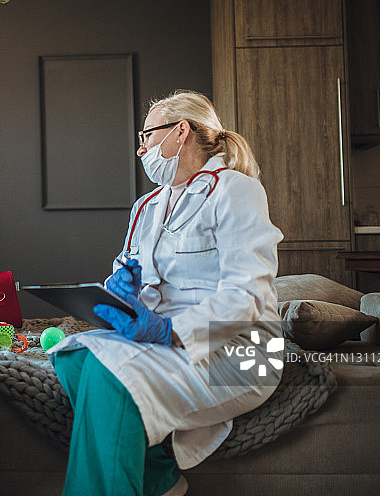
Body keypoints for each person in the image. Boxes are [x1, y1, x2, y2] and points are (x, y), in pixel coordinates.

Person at [49, 90, 284, 496]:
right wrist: (118, 295)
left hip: (244, 353)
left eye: (147, 135)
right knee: (73, 356)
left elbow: (249, 294)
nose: (141, 148)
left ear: (181, 131)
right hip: (169, 346)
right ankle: (159, 478)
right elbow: (126, 279)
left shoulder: (234, 190)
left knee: (111, 375)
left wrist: (170, 331)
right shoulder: (147, 205)